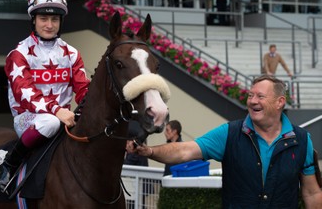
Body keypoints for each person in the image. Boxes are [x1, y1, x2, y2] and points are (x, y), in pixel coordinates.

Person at [134, 75, 322, 208]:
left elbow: (312, 193)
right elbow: (185, 151)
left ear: (280, 102)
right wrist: (150, 151)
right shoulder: (229, 133)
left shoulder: (302, 140)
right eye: (250, 95)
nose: (252, 101)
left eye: (260, 96)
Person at [0, 0, 90, 192]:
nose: (49, 25)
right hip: (29, 118)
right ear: (34, 20)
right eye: (43, 19)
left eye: (55, 19)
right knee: (50, 121)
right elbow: (25, 93)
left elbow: (83, 89)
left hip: (65, 119)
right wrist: (57, 111)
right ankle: (10, 164)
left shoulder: (72, 53)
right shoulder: (18, 54)